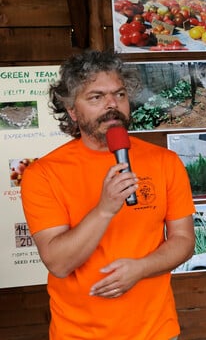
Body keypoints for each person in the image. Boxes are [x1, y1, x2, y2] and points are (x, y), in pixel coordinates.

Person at [20, 50, 196, 340]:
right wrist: (104, 209)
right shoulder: (43, 173)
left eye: (120, 94)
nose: (112, 104)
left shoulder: (165, 161)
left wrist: (141, 268)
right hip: (78, 334)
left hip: (157, 332)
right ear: (72, 111)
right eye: (96, 97)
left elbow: (184, 240)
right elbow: (59, 263)